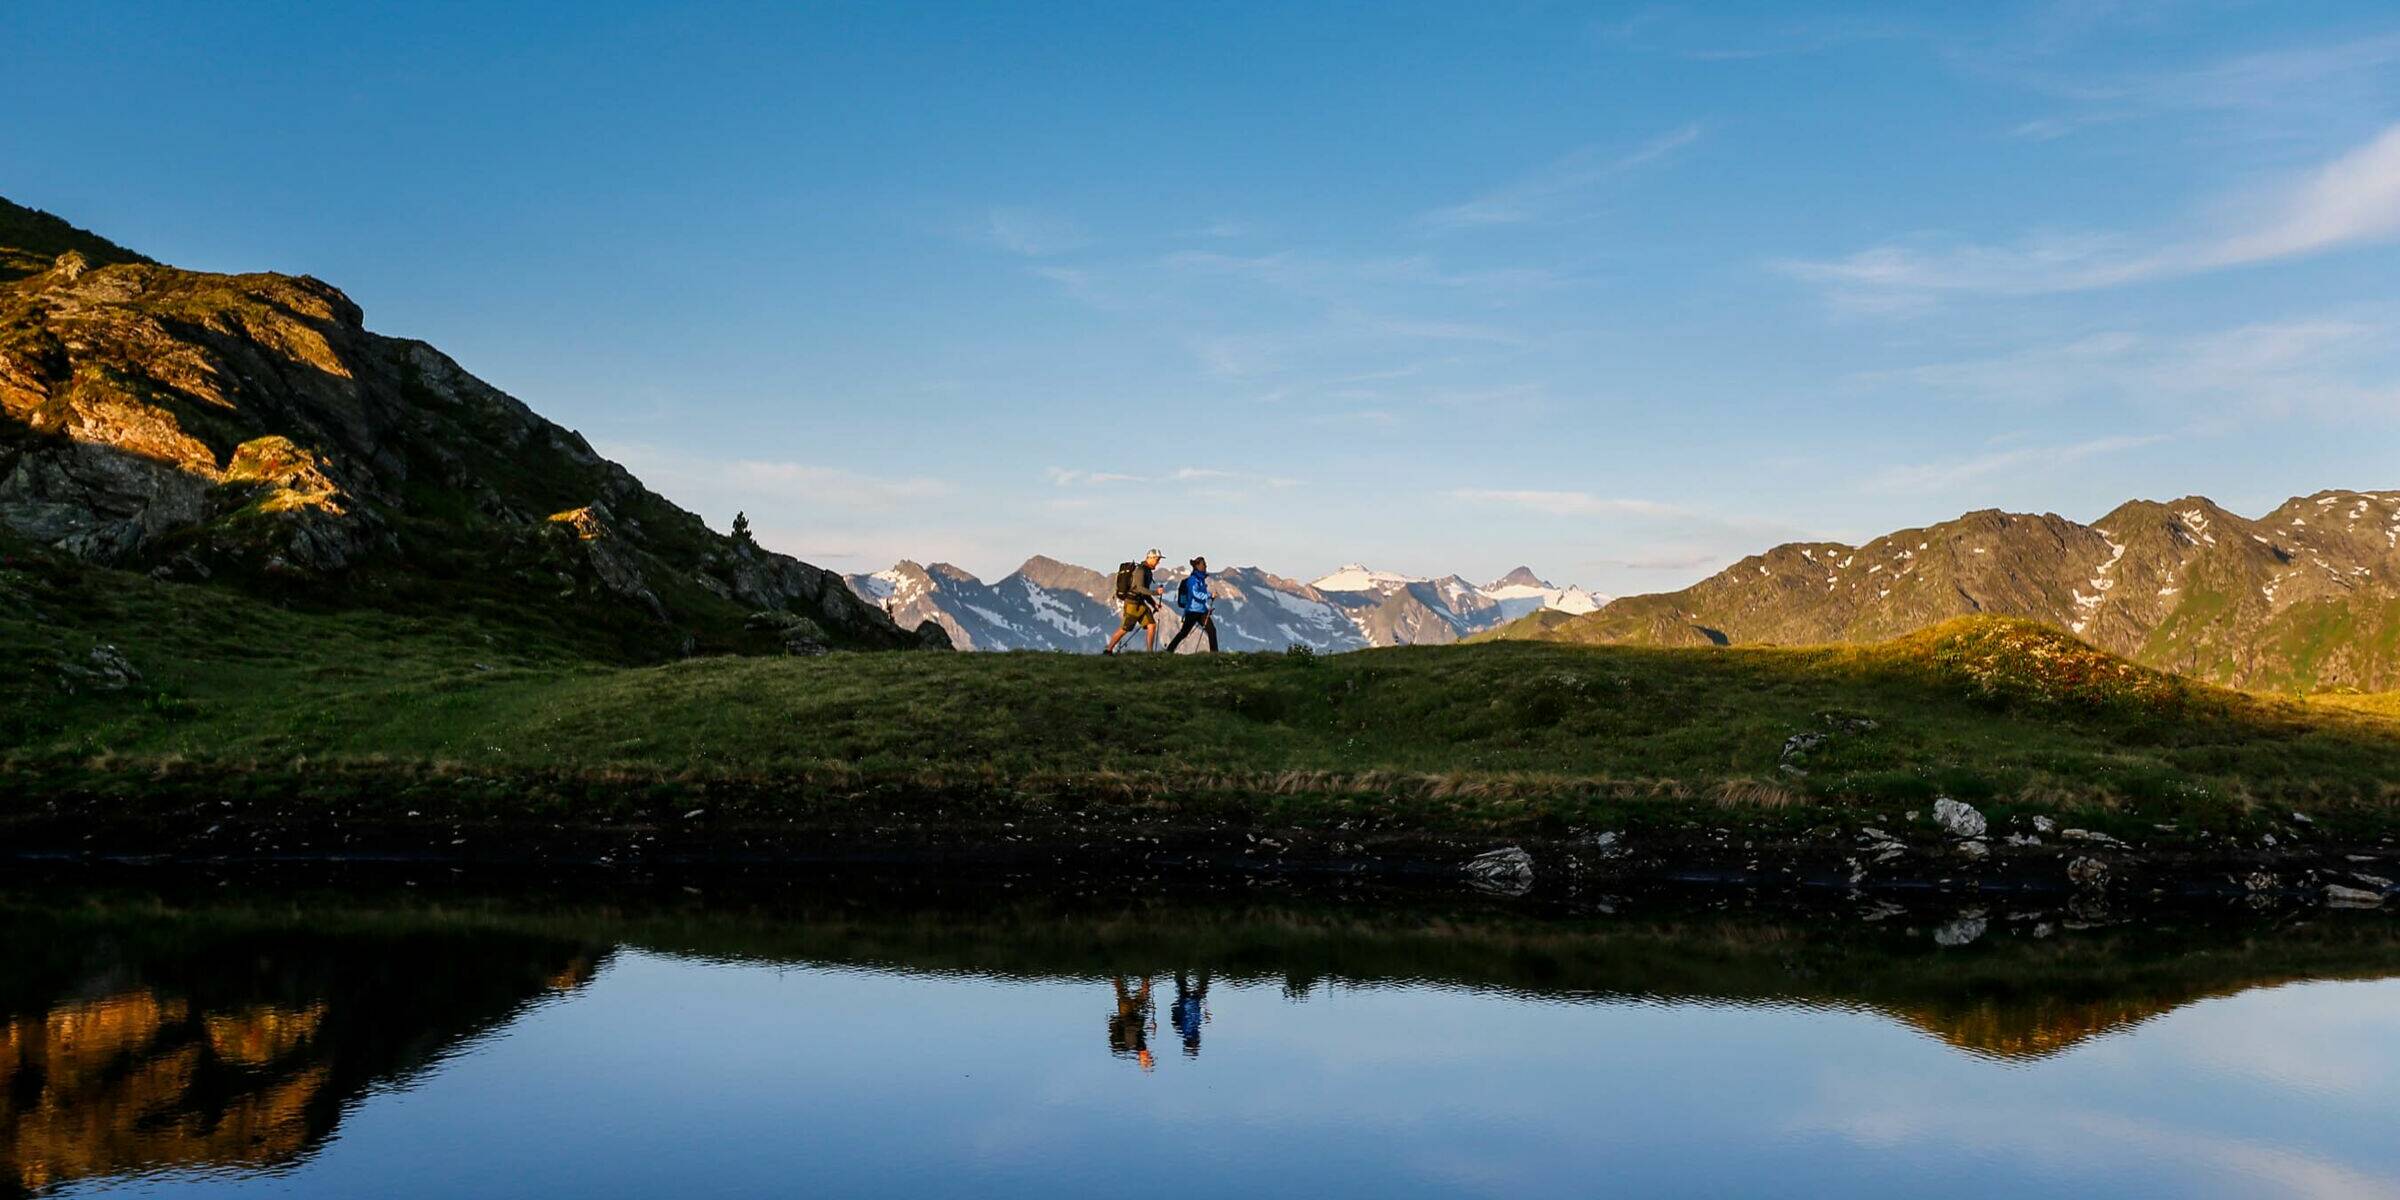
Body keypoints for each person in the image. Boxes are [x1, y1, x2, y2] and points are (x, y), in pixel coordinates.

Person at [1102, 549, 1166, 654]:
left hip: (1140, 603)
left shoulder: (1147, 571)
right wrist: (1156, 592)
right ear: (1150, 558)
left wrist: (1154, 604)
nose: (1158, 562)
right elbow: (1139, 588)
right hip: (1132, 604)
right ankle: (1108, 650)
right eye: (1157, 559)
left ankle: (1150, 653)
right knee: (1125, 628)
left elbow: (1143, 592)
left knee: (1152, 625)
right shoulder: (1140, 570)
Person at [1165, 555, 1218, 653]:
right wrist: (1210, 595)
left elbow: (1199, 597)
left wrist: (1207, 609)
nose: (1205, 566)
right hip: (1192, 611)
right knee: (1184, 633)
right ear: (1197, 566)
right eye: (1204, 564)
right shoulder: (1193, 579)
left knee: (1212, 631)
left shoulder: (1200, 579)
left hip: (1201, 611)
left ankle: (1214, 653)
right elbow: (1195, 594)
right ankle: (1169, 650)